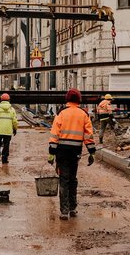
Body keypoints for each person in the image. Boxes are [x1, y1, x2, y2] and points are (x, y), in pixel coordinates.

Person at [47, 88, 95, 220]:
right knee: (73, 179)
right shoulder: (83, 114)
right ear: (79, 99)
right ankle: (73, 208)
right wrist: (92, 152)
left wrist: (52, 152)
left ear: (67, 99)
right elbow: (88, 135)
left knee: (64, 180)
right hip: (75, 152)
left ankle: (64, 211)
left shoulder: (61, 113)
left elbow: (54, 133)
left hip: (62, 151)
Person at [0, 93, 18, 164]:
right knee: (6, 145)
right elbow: (15, 121)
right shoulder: (12, 110)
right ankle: (4, 159)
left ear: (1, 100)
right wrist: (15, 129)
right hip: (8, 131)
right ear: (9, 100)